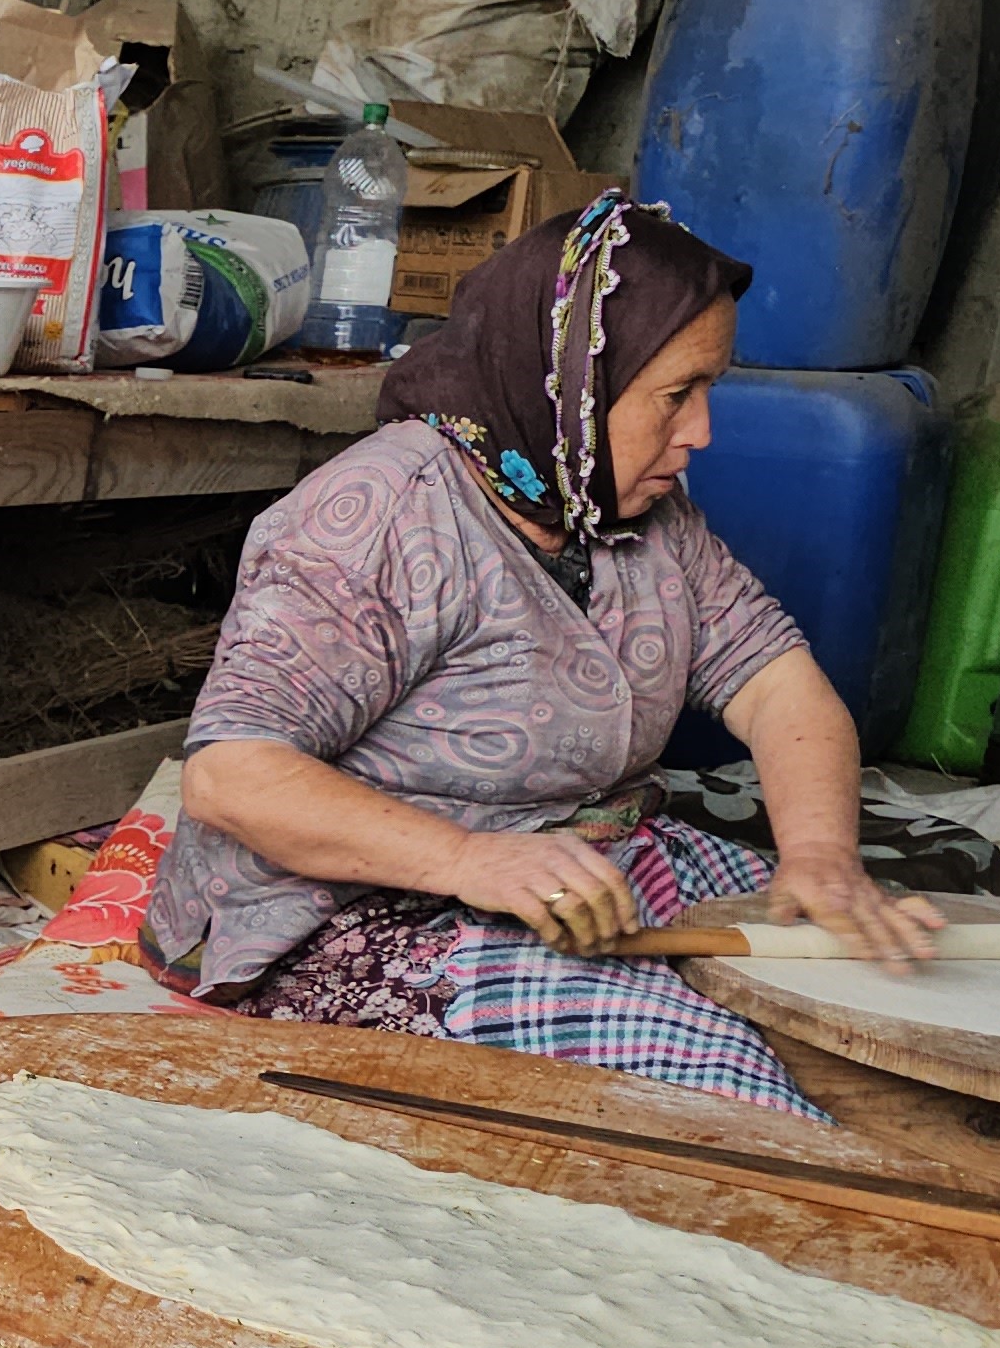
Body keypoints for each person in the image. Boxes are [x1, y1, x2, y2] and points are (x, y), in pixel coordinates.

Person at [142, 192, 942, 1116]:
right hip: (361, 918)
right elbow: (233, 777)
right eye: (677, 394)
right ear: (572, 386)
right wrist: (469, 862)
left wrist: (820, 854)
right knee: (723, 1083)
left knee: (851, 957)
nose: (702, 434)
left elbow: (779, 689)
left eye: (710, 389)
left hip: (574, 857)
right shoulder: (380, 515)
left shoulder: (637, 514)